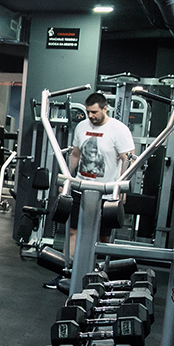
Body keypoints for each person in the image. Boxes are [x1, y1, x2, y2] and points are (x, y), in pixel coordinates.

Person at [65, 92, 135, 255]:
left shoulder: (119, 129)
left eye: (94, 112)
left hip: (106, 192)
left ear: (105, 109)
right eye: (88, 112)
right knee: (73, 231)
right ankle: (69, 267)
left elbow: (127, 159)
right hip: (80, 188)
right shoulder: (81, 127)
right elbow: (75, 154)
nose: (90, 116)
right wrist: (67, 179)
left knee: (104, 237)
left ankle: (101, 268)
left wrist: (121, 188)